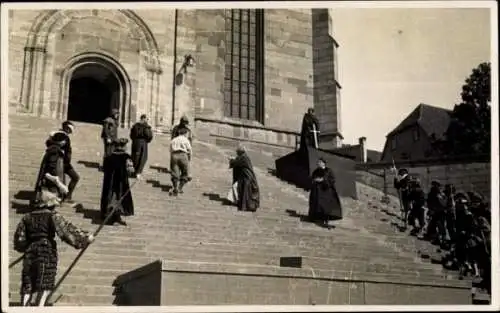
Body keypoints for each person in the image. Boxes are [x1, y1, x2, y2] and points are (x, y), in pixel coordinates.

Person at [13, 189, 94, 306]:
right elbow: (66, 231)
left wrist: (29, 246)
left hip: (30, 253)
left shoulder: (26, 217)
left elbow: (19, 240)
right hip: (46, 252)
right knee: (45, 284)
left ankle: (24, 308)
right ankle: (39, 308)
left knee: (28, 284)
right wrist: (85, 238)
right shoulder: (52, 215)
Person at [100, 138, 135, 226]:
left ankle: (108, 214)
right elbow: (130, 170)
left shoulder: (108, 156)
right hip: (120, 182)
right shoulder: (126, 157)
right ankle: (115, 218)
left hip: (109, 182)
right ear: (123, 147)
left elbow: (104, 169)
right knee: (118, 199)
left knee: (110, 198)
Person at [46, 121, 79, 203]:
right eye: (69, 129)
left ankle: (66, 196)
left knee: (67, 179)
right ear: (66, 128)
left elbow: (48, 143)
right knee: (75, 177)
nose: (69, 131)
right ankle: (66, 197)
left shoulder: (57, 134)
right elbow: (53, 145)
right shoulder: (62, 135)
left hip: (62, 162)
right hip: (61, 163)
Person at [33, 132, 69, 203]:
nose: (65, 142)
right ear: (61, 141)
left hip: (50, 178)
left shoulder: (53, 148)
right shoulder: (55, 151)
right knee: (51, 197)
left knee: (50, 197)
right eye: (64, 140)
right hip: (52, 179)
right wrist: (58, 182)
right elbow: (51, 166)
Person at [308, 158, 342, 227]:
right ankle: (316, 217)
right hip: (317, 191)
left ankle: (326, 219)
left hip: (326, 191)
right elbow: (312, 179)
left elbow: (332, 180)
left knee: (326, 206)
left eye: (320, 162)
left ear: (324, 163)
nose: (318, 163)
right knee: (316, 205)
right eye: (318, 162)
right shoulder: (316, 171)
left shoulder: (329, 171)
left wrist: (323, 180)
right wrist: (315, 180)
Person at [226, 145, 260, 212]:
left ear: (240, 152)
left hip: (247, 177)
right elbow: (237, 162)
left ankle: (245, 206)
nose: (236, 153)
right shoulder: (243, 157)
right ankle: (235, 201)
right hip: (244, 177)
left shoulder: (244, 157)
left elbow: (236, 162)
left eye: (237, 152)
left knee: (244, 191)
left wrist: (231, 160)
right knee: (238, 188)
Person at [169, 128, 192, 196]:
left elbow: (170, 149)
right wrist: (189, 159)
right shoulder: (186, 140)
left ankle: (175, 187)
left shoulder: (174, 140)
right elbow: (189, 150)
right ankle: (180, 188)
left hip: (174, 155)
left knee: (174, 173)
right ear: (185, 133)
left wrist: (172, 157)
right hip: (183, 155)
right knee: (185, 173)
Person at [130, 114, 153, 180]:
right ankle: (138, 173)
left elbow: (131, 135)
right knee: (143, 157)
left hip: (135, 142)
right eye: (147, 119)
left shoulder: (135, 125)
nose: (147, 120)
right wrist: (147, 140)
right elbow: (149, 135)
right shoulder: (146, 126)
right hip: (143, 143)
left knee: (135, 156)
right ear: (143, 118)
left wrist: (134, 140)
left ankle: (135, 171)